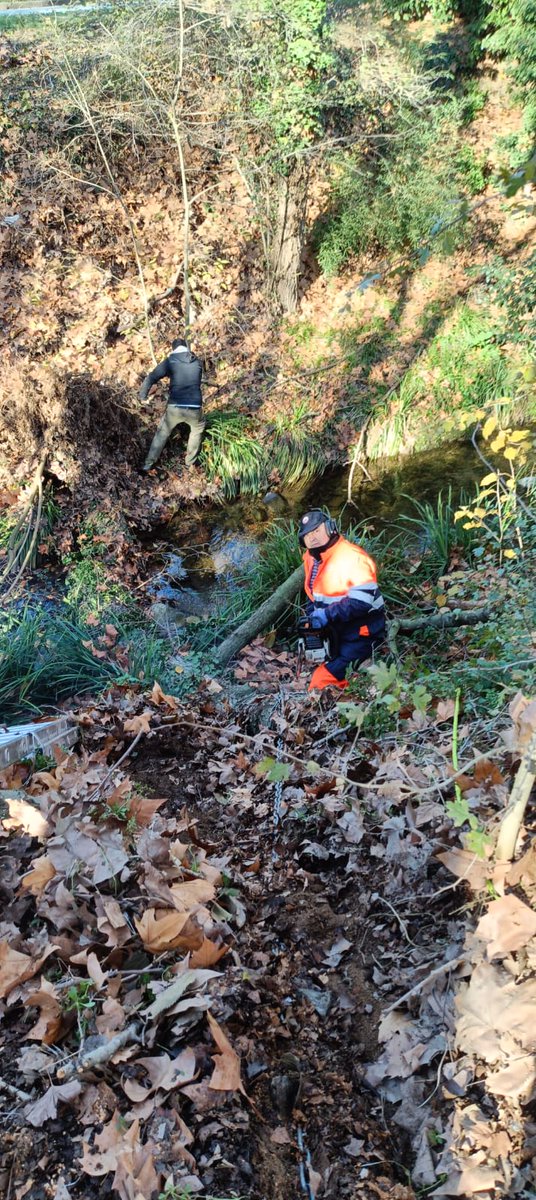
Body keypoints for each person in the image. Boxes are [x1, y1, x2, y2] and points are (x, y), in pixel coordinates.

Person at [299, 508, 385, 691]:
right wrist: (312, 622)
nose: (313, 537)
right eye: (307, 535)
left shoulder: (352, 557)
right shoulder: (310, 559)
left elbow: (361, 603)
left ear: (330, 528)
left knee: (319, 683)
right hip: (337, 629)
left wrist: (326, 615)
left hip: (362, 632)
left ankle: (360, 675)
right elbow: (312, 595)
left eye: (317, 531)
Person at [140, 337, 206, 471]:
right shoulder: (197, 362)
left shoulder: (170, 361)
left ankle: (148, 464)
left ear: (173, 350)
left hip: (175, 406)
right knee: (197, 430)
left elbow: (151, 377)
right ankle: (190, 462)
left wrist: (143, 396)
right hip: (194, 407)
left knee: (162, 433)